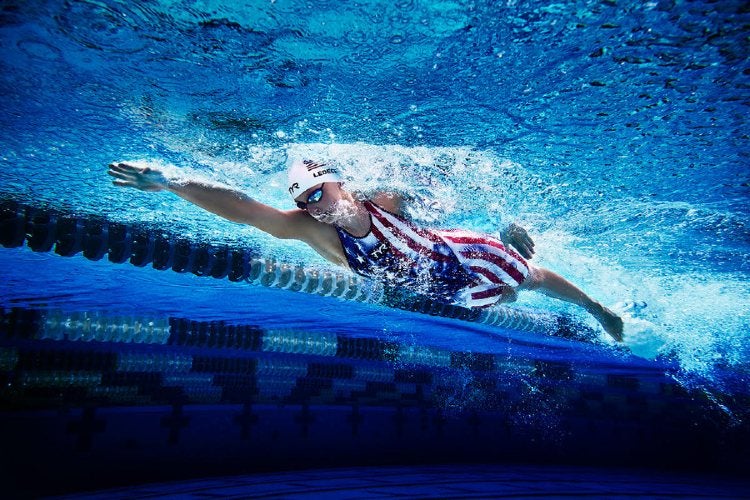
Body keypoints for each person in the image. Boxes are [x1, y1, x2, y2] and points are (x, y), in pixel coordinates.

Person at [108, 159, 624, 341]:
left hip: (463, 255)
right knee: (505, 301)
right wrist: (171, 183)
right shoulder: (314, 231)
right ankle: (542, 298)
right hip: (436, 287)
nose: (314, 207)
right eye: (305, 201)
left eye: (319, 194)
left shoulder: (381, 199)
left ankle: (593, 306)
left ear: (340, 186)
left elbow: (452, 190)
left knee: (527, 279)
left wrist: (503, 221)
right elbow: (244, 209)